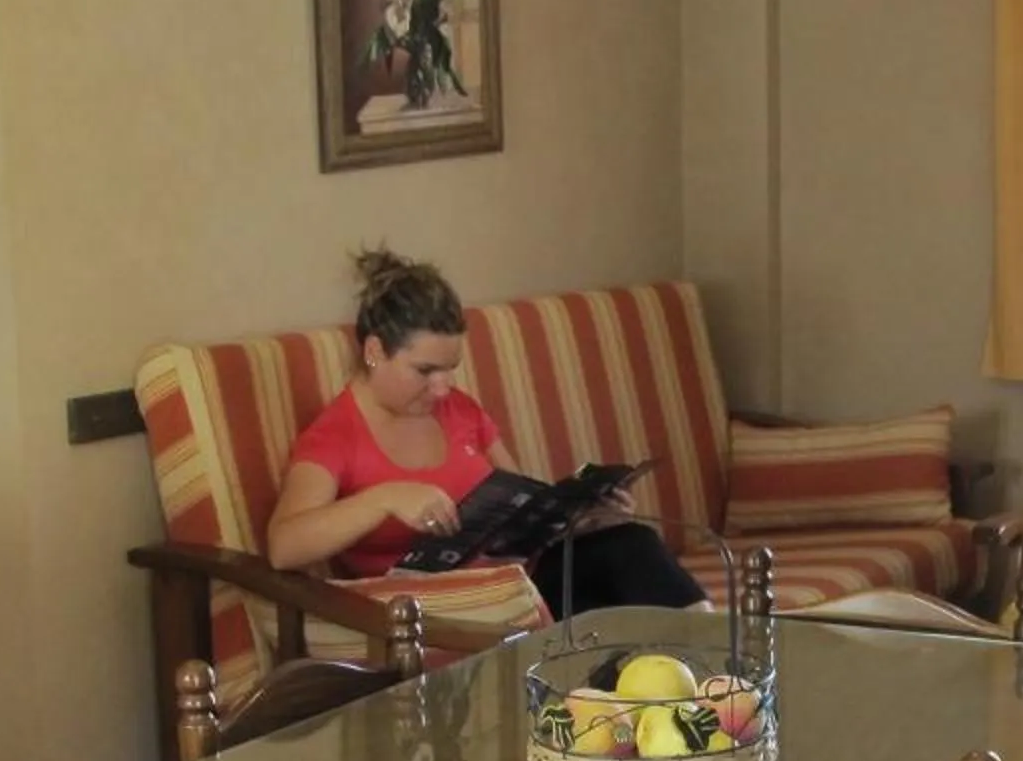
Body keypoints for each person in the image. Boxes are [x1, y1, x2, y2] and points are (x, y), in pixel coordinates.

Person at [267, 249, 707, 616]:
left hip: (516, 590)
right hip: (435, 615)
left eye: (450, 369)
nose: (442, 387)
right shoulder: (335, 436)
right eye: (425, 370)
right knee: (605, 619)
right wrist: (382, 498)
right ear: (375, 350)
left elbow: (523, 510)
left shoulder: (460, 411)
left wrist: (580, 518)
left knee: (628, 546)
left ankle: (725, 674)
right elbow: (284, 547)